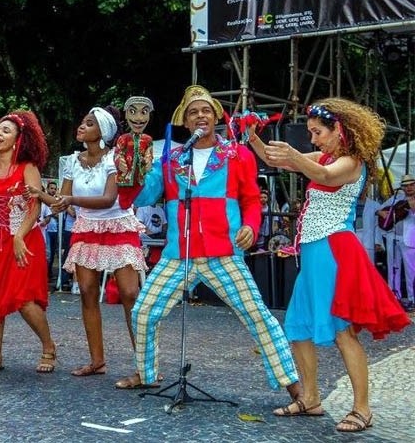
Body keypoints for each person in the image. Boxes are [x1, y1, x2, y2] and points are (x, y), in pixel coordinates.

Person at [126, 85, 301, 401]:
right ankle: (146, 374)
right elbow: (143, 196)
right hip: (179, 254)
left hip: (224, 252)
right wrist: (133, 168)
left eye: (206, 110)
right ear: (186, 122)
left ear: (216, 116)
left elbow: (250, 199)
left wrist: (250, 224)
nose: (200, 115)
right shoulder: (171, 158)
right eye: (193, 112)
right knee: (143, 312)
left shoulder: (238, 154)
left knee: (258, 315)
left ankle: (295, 387)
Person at [249, 98, 411, 431]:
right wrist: (253, 136)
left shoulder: (351, 163)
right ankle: (310, 398)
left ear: (339, 130)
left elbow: (322, 174)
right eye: (310, 133)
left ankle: (362, 409)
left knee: (342, 331)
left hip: (334, 252)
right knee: (297, 326)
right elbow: (272, 158)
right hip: (314, 253)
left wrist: (294, 155)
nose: (313, 139)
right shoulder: (325, 156)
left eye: (318, 132)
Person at [32, 107, 147, 378]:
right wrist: (38, 195)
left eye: (89, 123)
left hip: (118, 224)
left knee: (130, 293)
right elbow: (61, 202)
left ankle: (145, 365)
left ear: (103, 132)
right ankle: (97, 362)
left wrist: (70, 201)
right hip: (86, 227)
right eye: (83, 122)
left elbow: (108, 199)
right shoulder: (72, 161)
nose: (82, 127)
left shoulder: (114, 159)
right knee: (86, 291)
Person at [0, 111, 57, 374]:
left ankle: (49, 347)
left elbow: (35, 207)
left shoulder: (28, 168)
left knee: (26, 301)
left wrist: (19, 236)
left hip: (25, 239)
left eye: (6, 130)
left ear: (19, 139)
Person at [376, 175, 415, 310]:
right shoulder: (396, 199)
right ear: (402, 187)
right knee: (393, 268)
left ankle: (412, 298)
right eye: (406, 185)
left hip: (409, 240)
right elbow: (379, 209)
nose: (409, 187)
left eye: (411, 184)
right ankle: (394, 297)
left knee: (411, 271)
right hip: (393, 238)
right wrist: (381, 212)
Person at [40, 181, 59, 287]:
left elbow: (55, 214)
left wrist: (47, 219)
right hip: (46, 231)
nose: (53, 190)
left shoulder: (54, 201)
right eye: (51, 188)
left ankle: (48, 274)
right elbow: (52, 214)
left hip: (53, 230)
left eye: (54, 188)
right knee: (47, 253)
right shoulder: (45, 202)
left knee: (50, 255)